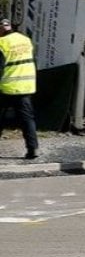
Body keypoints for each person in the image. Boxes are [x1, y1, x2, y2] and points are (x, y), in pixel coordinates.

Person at [0, 18, 39, 159]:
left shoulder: (1, 43)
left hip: (7, 87)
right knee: (27, 119)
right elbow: (33, 61)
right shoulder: (25, 39)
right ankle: (33, 149)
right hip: (26, 86)